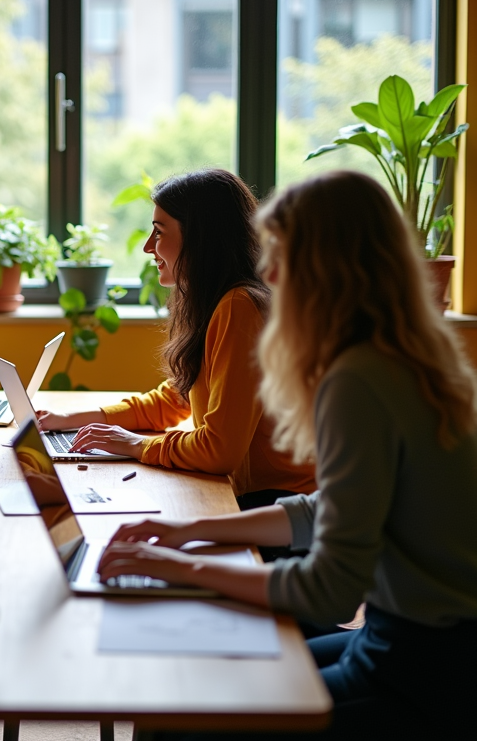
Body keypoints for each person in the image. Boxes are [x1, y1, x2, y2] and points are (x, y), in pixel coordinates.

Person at [96, 171, 477, 739]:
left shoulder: (360, 380)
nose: (267, 274)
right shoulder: (405, 359)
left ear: (330, 268)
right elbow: (326, 507)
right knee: (195, 684)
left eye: (281, 255)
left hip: (421, 671)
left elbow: (330, 588)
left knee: (177, 714)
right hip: (423, 644)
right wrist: (187, 532)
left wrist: (181, 565)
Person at [39, 169, 314, 508]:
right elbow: (173, 401)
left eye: (159, 232)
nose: (146, 247)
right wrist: (71, 419)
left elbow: (218, 451)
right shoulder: (217, 301)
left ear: (200, 237)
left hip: (282, 506)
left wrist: (136, 445)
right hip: (255, 496)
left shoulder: (240, 306)